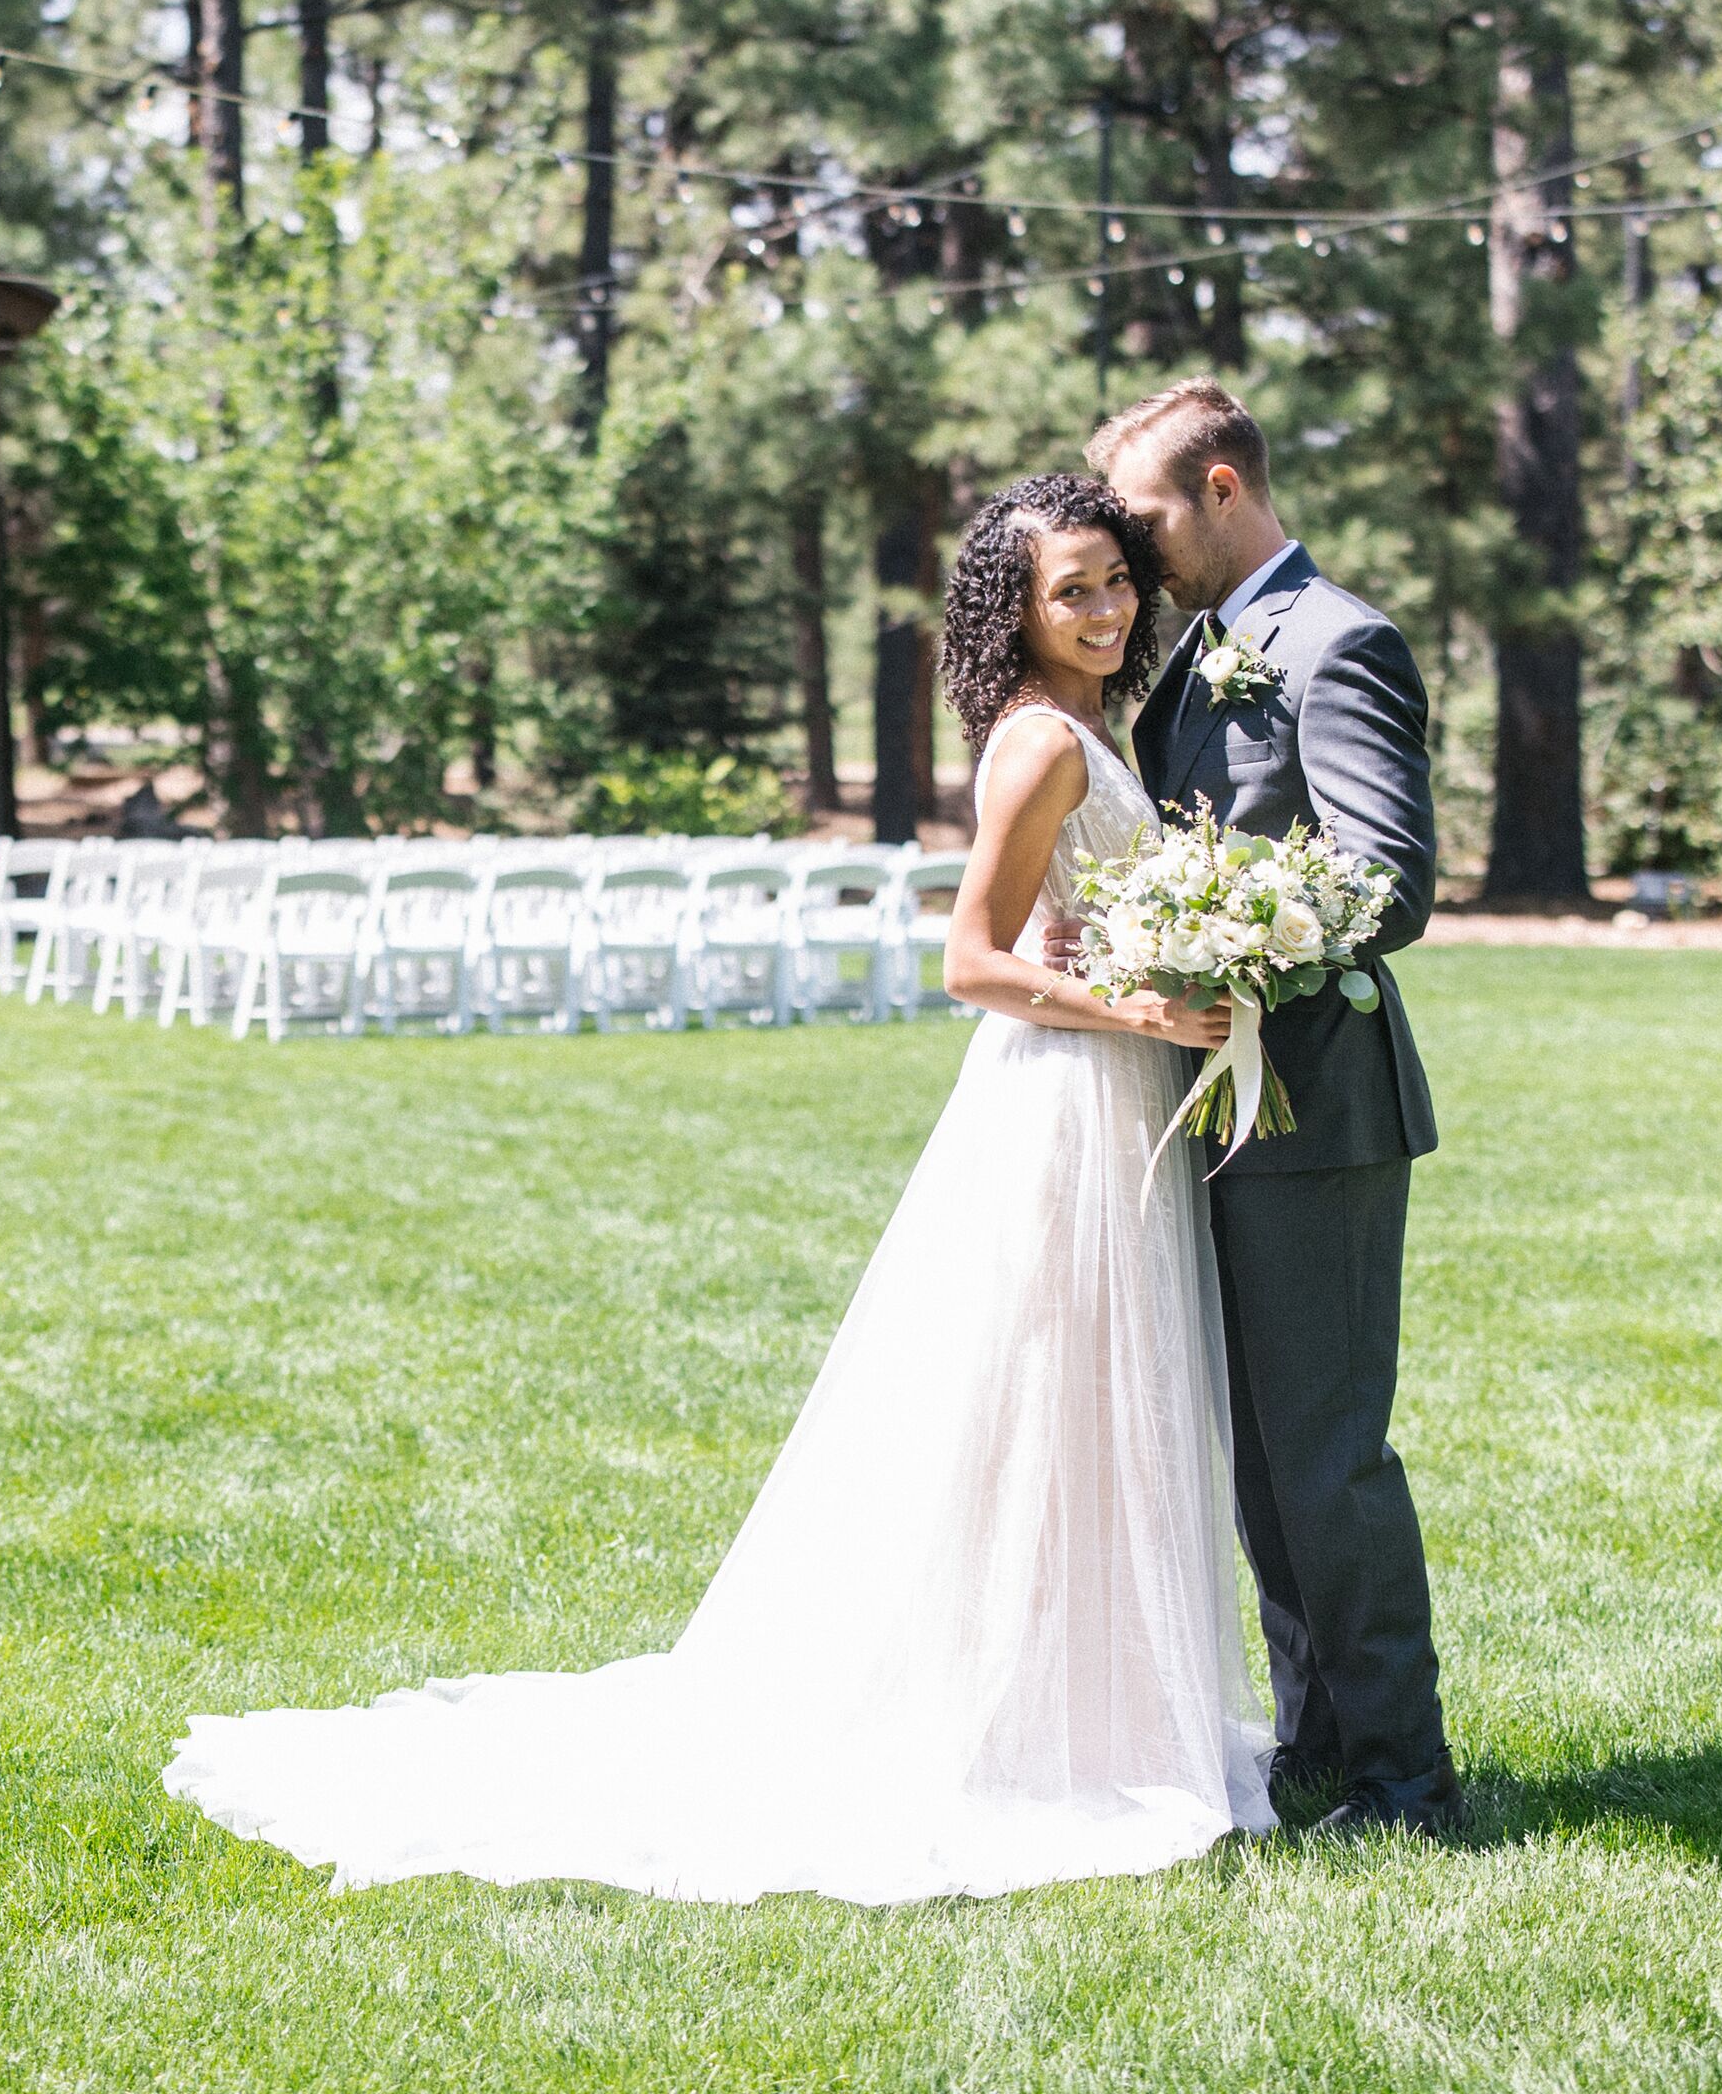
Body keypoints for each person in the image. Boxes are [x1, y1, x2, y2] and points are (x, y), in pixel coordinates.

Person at [161, 473, 1278, 1906]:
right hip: (1063, 1100)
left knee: (1084, 1414)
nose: (1111, 608)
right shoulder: (1040, 745)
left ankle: (1086, 1707)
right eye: (1076, 589)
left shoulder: (1084, 727)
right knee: (1039, 1404)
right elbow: (971, 963)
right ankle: (1012, 1720)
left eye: (1118, 580)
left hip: (1110, 1095)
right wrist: (1139, 1013)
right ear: (1020, 607)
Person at [1090, 377, 1461, 1839]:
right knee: (1261, 1461)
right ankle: (1317, 1749)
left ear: (1224, 489)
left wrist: (1215, 929)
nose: (1135, 543)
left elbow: (1386, 881)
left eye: (1149, 513)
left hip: (1318, 1106)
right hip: (1212, 1105)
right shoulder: (1197, 657)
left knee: (1327, 1455)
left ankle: (1407, 1783)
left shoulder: (1337, 642)